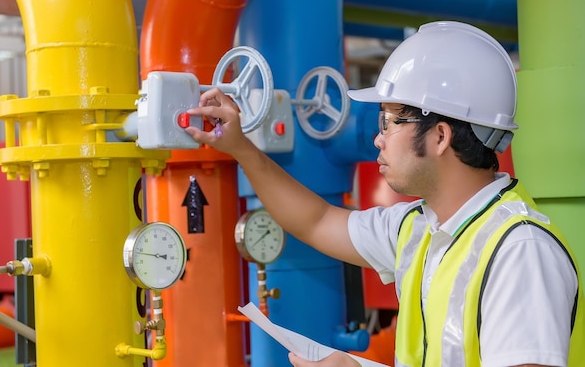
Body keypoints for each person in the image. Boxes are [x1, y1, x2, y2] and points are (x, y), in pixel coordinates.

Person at [184, 21, 585, 367]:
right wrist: (241, 148)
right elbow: (316, 220)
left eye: (390, 121)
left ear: (440, 136)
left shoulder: (519, 252)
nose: (378, 138)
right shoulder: (418, 229)